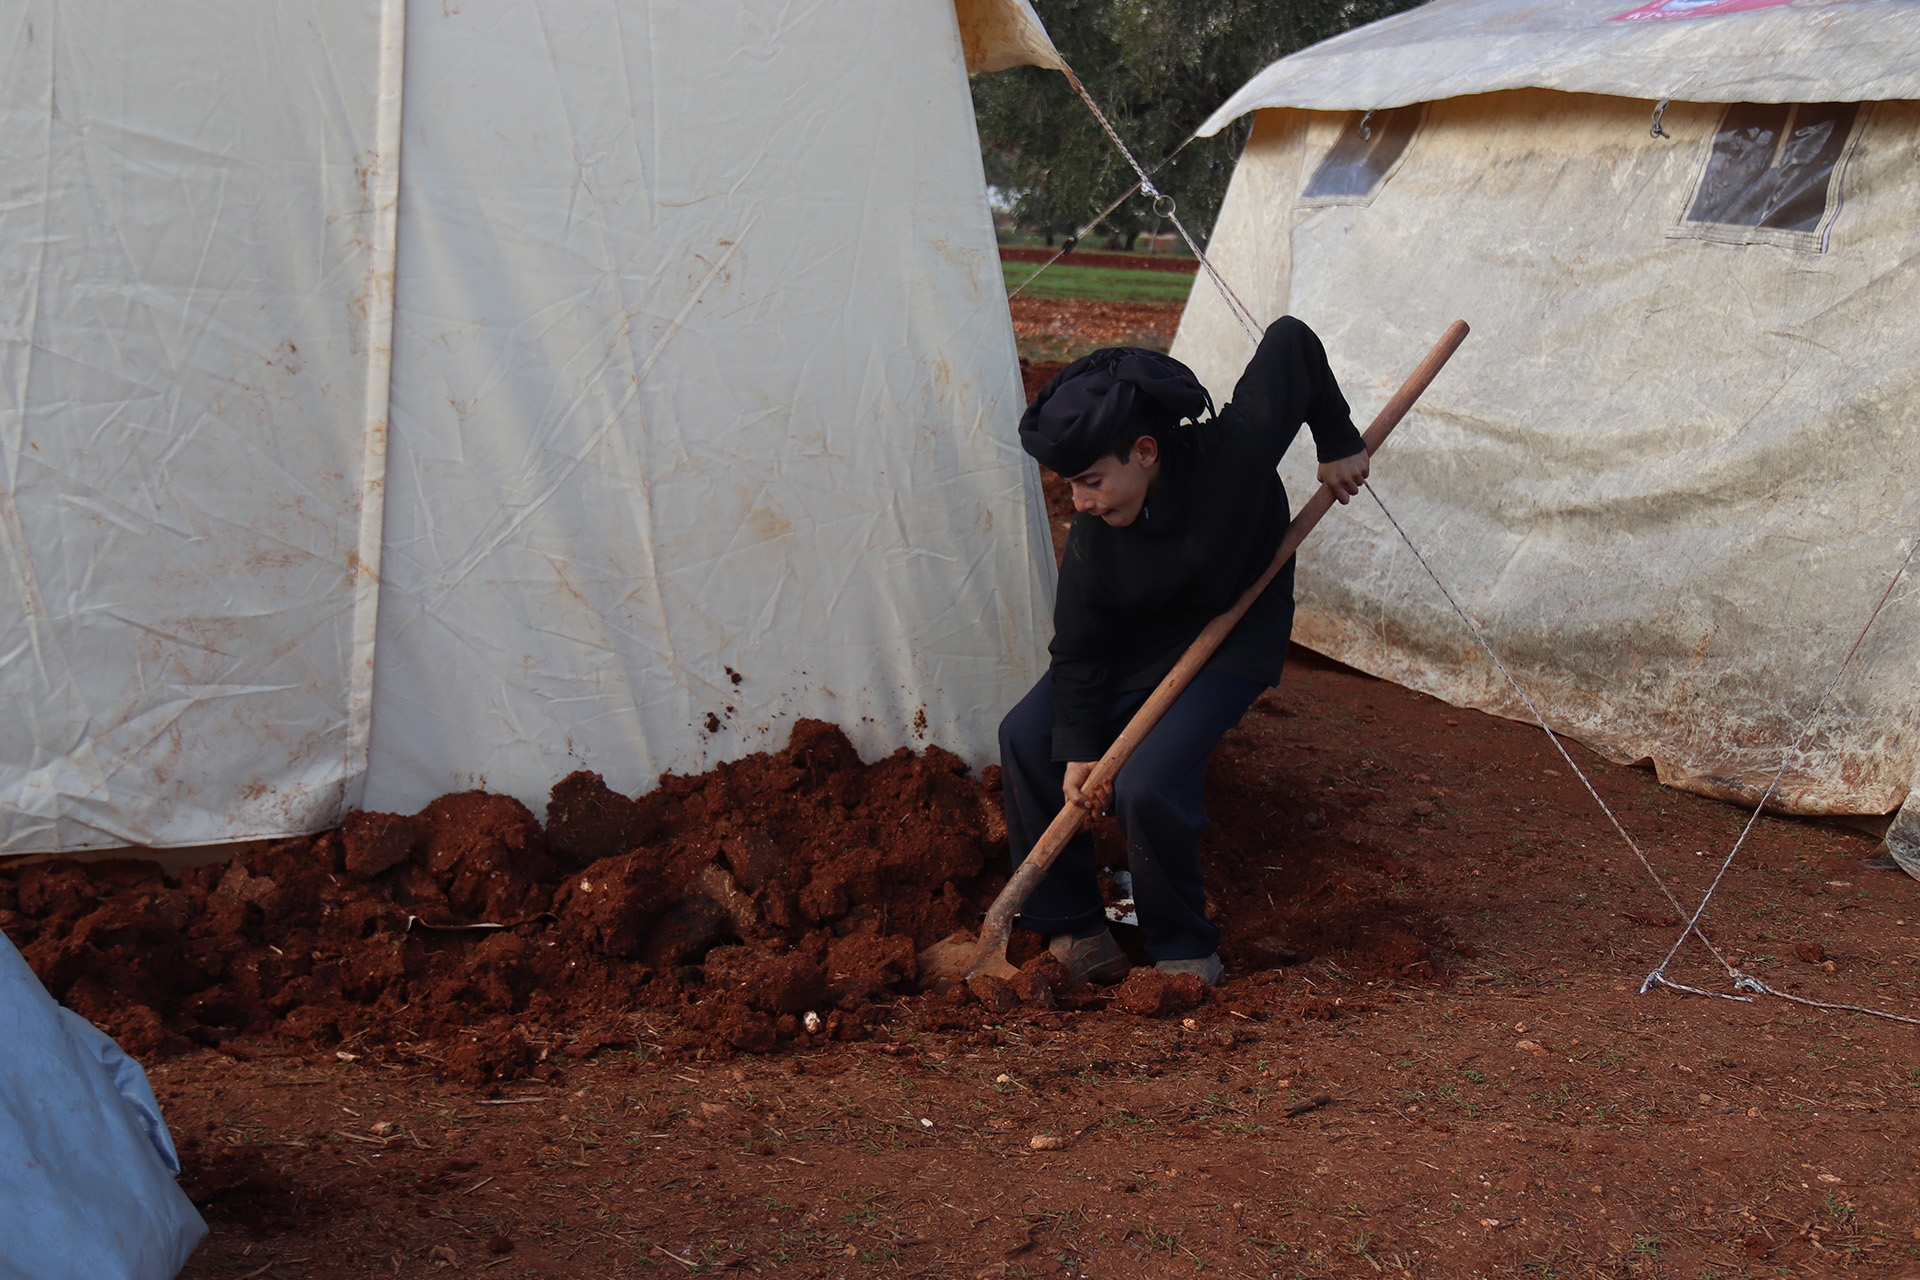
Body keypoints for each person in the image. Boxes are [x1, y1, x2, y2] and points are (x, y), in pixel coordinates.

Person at [998, 316, 1369, 987]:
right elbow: (1080, 652)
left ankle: (1180, 947)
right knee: (1027, 735)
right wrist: (1081, 748)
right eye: (1068, 486)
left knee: (1148, 781)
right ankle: (1079, 930)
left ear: (1145, 451)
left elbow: (1291, 343)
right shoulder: (1095, 537)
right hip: (1140, 641)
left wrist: (1338, 441)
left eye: (1090, 481)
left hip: (1233, 629)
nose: (1077, 503)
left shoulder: (1232, 453)